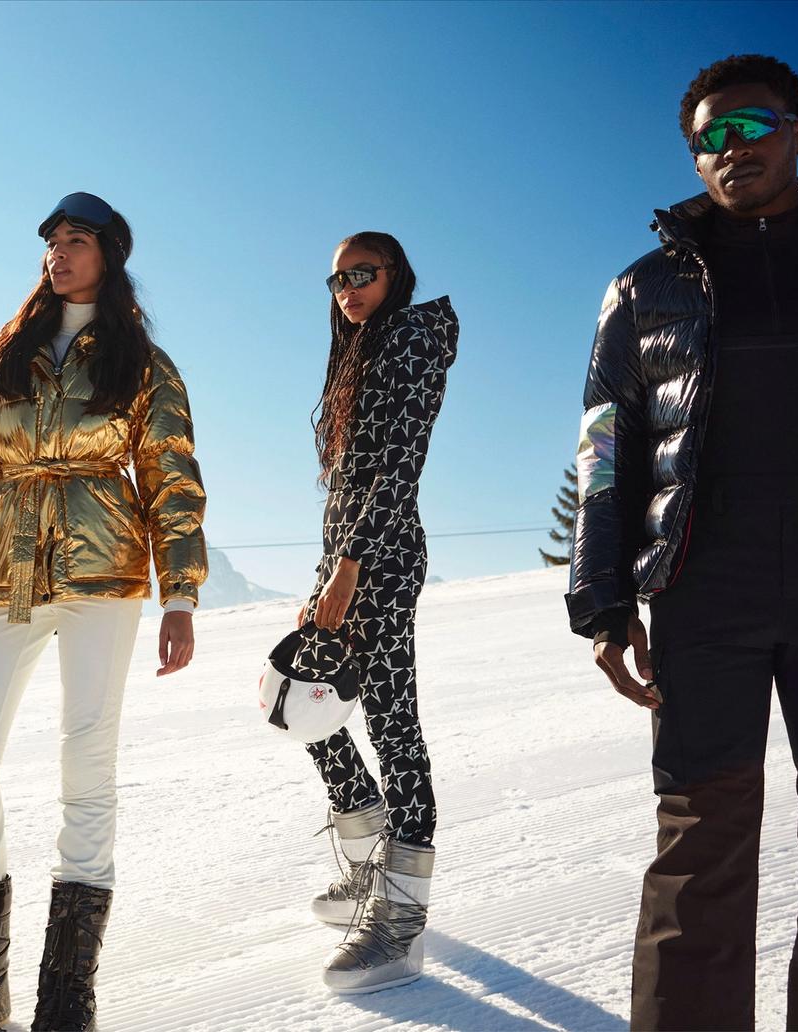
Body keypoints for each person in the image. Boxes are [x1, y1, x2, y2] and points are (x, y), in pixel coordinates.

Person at [566, 54, 798, 1030]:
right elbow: (605, 447)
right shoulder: (643, 287)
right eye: (710, 136)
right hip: (704, 590)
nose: (731, 147)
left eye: (752, 125)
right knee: (700, 841)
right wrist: (603, 599)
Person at [0, 192, 207, 1032]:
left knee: (87, 765)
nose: (59, 252)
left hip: (101, 574)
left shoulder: (141, 361)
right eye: (51, 240)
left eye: (77, 240)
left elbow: (171, 477)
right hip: (3, 573)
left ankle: (66, 993)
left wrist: (180, 594)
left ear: (109, 256)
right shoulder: (5, 353)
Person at [296, 232, 457, 993]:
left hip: (382, 562)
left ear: (395, 273)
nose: (348, 289)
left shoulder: (416, 339)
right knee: (302, 702)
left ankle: (400, 920)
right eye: (337, 280)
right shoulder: (357, 352)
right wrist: (327, 570)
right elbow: (349, 481)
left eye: (362, 274)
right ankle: (368, 862)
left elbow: (399, 464)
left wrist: (351, 566)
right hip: (346, 561)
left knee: (394, 728)